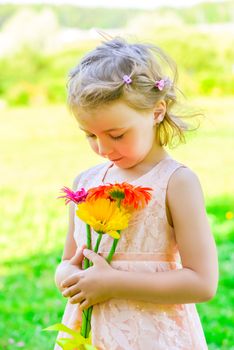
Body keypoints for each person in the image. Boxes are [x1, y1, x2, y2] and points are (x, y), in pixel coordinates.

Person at [54, 35, 219, 350]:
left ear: (157, 112)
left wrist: (113, 283)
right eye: (90, 135)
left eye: (116, 134)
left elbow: (202, 282)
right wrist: (67, 276)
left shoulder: (176, 182)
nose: (102, 149)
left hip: (154, 336)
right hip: (92, 334)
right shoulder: (85, 182)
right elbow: (68, 261)